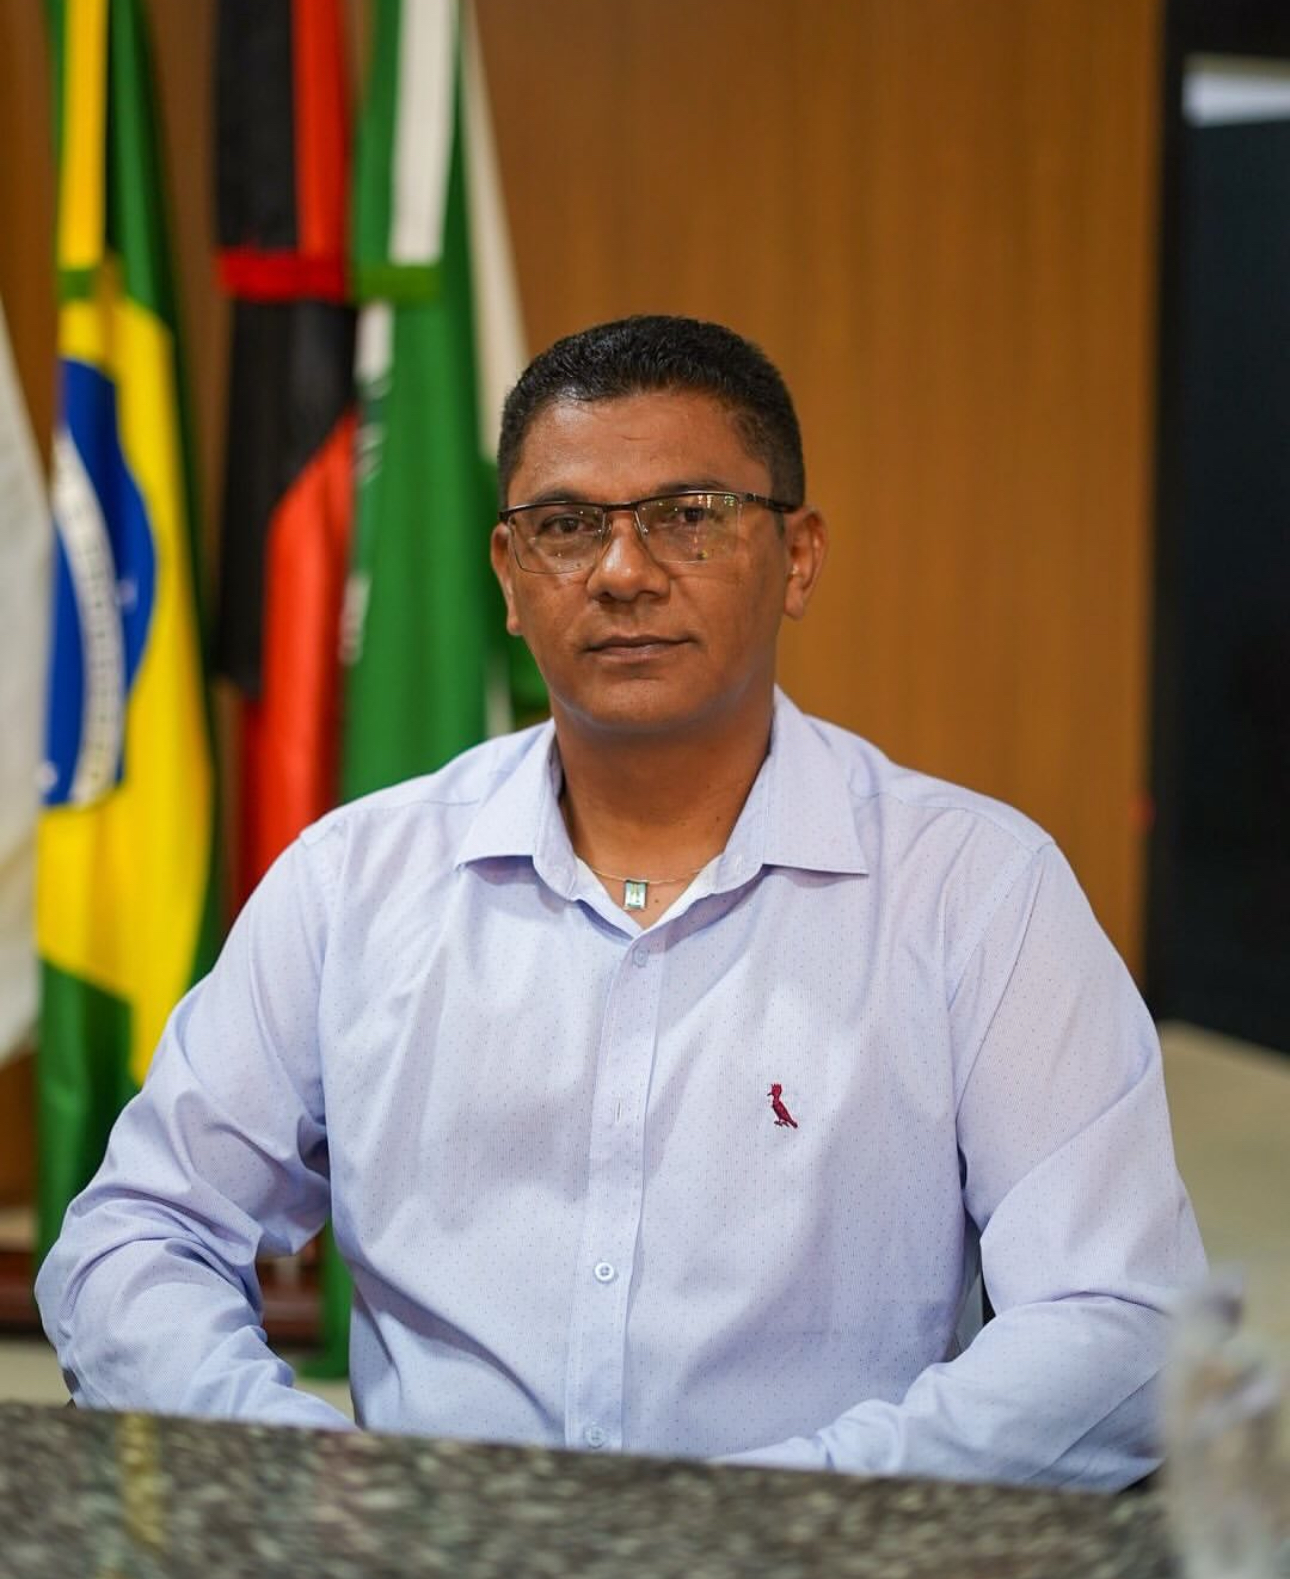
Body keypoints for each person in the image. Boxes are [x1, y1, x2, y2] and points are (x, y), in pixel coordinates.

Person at [37, 314, 1206, 1487]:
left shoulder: (975, 892)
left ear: (799, 557)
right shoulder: (354, 882)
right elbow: (135, 1237)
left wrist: (761, 1522)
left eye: (690, 517)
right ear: (509, 576)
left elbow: (1123, 1321)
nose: (623, 572)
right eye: (566, 527)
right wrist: (324, 1490)